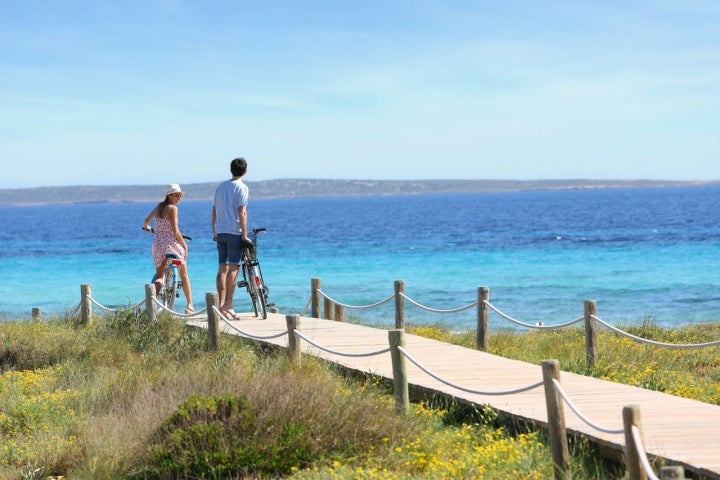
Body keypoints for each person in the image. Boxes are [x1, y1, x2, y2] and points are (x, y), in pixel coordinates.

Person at [142, 183, 194, 313]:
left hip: (158, 245)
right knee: (184, 274)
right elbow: (176, 232)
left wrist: (148, 228)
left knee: (160, 277)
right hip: (171, 245)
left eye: (180, 196)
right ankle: (190, 305)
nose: (179, 198)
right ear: (169, 195)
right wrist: (185, 245)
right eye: (177, 195)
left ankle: (150, 303)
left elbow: (146, 221)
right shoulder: (173, 209)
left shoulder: (159, 206)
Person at [211, 157, 251, 319]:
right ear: (245, 171)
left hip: (220, 231)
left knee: (222, 269)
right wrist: (244, 234)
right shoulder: (242, 187)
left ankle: (221, 305)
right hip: (234, 232)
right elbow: (242, 212)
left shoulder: (220, 187)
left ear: (231, 169)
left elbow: (214, 210)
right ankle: (228, 305)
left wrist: (214, 230)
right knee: (234, 268)